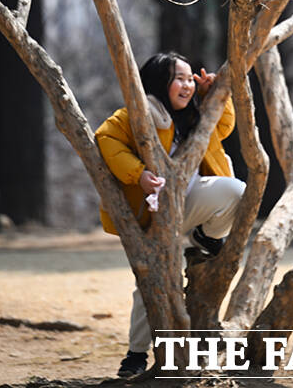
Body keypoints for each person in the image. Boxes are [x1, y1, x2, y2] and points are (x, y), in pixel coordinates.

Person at [95, 51, 245, 377]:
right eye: (179, 78)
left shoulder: (194, 117)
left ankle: (201, 238)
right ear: (158, 82)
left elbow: (224, 126)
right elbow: (105, 138)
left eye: (190, 78)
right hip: (156, 218)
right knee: (151, 286)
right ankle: (135, 356)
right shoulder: (137, 114)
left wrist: (214, 92)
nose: (187, 85)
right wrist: (138, 174)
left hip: (190, 205)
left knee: (238, 193)